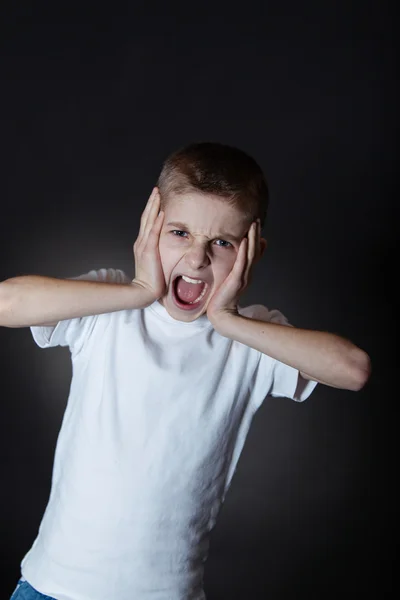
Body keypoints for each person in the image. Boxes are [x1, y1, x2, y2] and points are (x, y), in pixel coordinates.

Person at [1, 142, 371, 600]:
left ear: (251, 253)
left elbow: (353, 369)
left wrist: (231, 321)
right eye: (179, 232)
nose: (197, 259)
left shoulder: (250, 339)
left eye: (222, 243)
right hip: (52, 585)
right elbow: (6, 302)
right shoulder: (109, 302)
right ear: (150, 226)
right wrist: (138, 289)